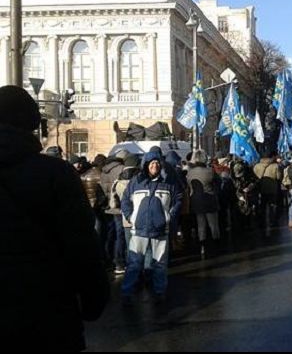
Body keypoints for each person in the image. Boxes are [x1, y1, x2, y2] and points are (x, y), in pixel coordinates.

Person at [0, 85, 109, 351]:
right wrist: (94, 297)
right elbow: (81, 243)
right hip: (48, 309)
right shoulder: (56, 173)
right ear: (33, 124)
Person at [121, 150, 183, 305]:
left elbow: (178, 199)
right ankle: (127, 292)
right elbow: (125, 200)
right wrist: (130, 217)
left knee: (160, 263)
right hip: (138, 230)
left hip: (161, 230)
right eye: (151, 163)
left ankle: (160, 291)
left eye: (157, 163)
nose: (154, 165)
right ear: (146, 165)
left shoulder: (168, 182)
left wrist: (170, 216)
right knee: (134, 264)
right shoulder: (136, 181)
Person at [187, 150, 221, 259]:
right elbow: (218, 183)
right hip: (209, 199)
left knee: (201, 225)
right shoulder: (210, 171)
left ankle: (202, 246)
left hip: (196, 201)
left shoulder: (190, 173)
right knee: (213, 224)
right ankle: (216, 244)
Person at [254, 151, 283, 229]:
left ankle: (261, 222)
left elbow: (254, 178)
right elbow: (279, 177)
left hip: (261, 189)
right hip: (272, 189)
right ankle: (273, 222)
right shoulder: (275, 166)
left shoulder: (257, 166)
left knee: (262, 207)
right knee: (272, 206)